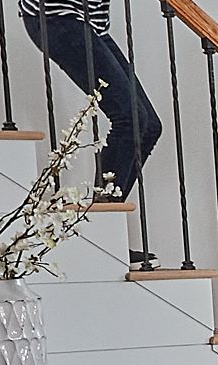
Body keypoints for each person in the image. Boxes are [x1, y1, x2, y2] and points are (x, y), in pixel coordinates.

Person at [20, 0, 161, 217]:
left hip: (92, 23)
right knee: (130, 119)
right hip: (56, 15)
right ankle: (104, 226)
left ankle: (106, 226)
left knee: (149, 125)